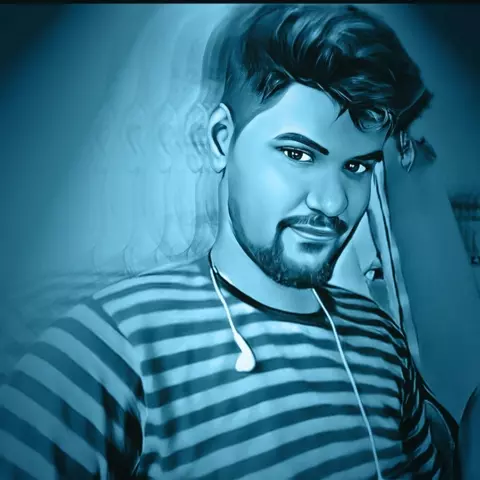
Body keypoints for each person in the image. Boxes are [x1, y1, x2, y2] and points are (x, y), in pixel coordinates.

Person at [0, 4, 453, 479]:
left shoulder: (381, 339)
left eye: (356, 166)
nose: (333, 201)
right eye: (298, 154)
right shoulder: (108, 347)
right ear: (221, 140)